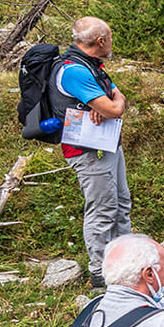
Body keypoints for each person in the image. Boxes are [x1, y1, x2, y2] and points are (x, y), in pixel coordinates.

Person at [46, 17, 131, 289]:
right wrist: (108, 105)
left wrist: (106, 104)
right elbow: (116, 108)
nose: (112, 43)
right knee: (103, 209)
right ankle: (100, 271)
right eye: (110, 37)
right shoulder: (75, 71)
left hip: (107, 144)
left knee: (120, 203)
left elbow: (117, 99)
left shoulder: (91, 66)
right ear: (100, 41)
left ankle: (125, 261)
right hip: (87, 150)